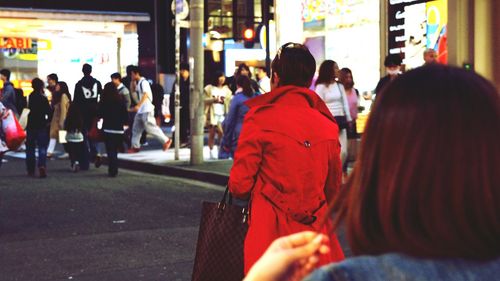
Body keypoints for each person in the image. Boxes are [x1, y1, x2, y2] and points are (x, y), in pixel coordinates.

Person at [244, 64, 500, 281]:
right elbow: (332, 183)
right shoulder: (324, 122)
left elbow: (239, 182)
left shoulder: (345, 277)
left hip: (272, 224)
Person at [228, 42, 345, 274]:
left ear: (276, 78)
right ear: (309, 79)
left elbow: (239, 186)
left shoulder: (259, 119)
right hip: (315, 236)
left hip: (269, 238)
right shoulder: (327, 125)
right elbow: (333, 191)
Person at [315, 60, 352, 168]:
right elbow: (318, 105)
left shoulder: (339, 86)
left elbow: (344, 103)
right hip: (327, 122)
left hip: (341, 120)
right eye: (335, 68)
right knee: (331, 151)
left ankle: (338, 171)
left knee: (344, 151)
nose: (338, 70)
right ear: (329, 70)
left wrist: (348, 118)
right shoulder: (320, 87)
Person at [127, 66, 171, 153]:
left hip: (146, 109)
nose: (130, 76)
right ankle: (135, 146)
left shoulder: (144, 82)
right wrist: (132, 83)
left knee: (150, 127)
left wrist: (138, 105)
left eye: (131, 74)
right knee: (136, 128)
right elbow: (134, 94)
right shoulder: (138, 83)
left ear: (136, 73)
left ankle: (166, 140)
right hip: (141, 110)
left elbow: (146, 94)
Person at [73, 63, 103, 170]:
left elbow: (76, 101)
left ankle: (87, 154)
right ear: (91, 71)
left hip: (82, 112)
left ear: (83, 71)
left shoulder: (79, 84)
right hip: (94, 111)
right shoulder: (97, 82)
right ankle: (97, 153)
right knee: (94, 133)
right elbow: (102, 96)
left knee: (84, 135)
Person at [221, 75, 258, 158]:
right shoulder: (255, 97)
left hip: (239, 135)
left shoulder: (237, 99)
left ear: (237, 85)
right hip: (254, 134)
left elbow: (230, 122)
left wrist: (226, 142)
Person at [97, 82, 128, 177]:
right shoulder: (120, 101)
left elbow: (100, 114)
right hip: (119, 130)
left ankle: (112, 169)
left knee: (110, 150)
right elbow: (125, 116)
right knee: (115, 150)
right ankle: (114, 169)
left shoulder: (104, 101)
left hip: (107, 129)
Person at [25, 78, 52, 178]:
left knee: (30, 148)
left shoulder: (29, 98)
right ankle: (41, 166)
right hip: (41, 125)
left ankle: (30, 169)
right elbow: (49, 112)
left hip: (31, 125)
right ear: (41, 86)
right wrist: (48, 122)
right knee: (42, 147)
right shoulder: (43, 98)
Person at [204, 71, 232, 159]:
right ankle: (211, 151)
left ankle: (221, 151)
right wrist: (213, 100)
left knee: (222, 133)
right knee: (211, 133)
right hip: (212, 113)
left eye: (223, 77)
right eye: (220, 77)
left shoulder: (227, 90)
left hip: (223, 114)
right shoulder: (209, 88)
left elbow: (229, 101)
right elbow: (204, 99)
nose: (222, 79)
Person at [47, 81, 71, 158]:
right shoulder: (59, 95)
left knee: (62, 137)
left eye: (58, 86)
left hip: (60, 119)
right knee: (54, 136)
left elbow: (64, 109)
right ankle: (50, 152)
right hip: (57, 119)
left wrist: (62, 121)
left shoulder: (63, 96)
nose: (56, 87)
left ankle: (68, 152)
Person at [169, 62, 191, 146]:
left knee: (185, 125)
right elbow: (173, 94)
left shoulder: (191, 82)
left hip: (187, 106)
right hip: (179, 106)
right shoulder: (178, 81)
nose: (182, 72)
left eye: (184, 70)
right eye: (181, 70)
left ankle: (184, 140)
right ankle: (178, 141)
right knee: (178, 124)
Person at [64, 102, 85, 172]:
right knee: (78, 151)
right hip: (79, 138)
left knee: (72, 152)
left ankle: (73, 163)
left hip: (70, 138)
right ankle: (77, 162)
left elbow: (65, 127)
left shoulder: (68, 118)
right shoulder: (80, 118)